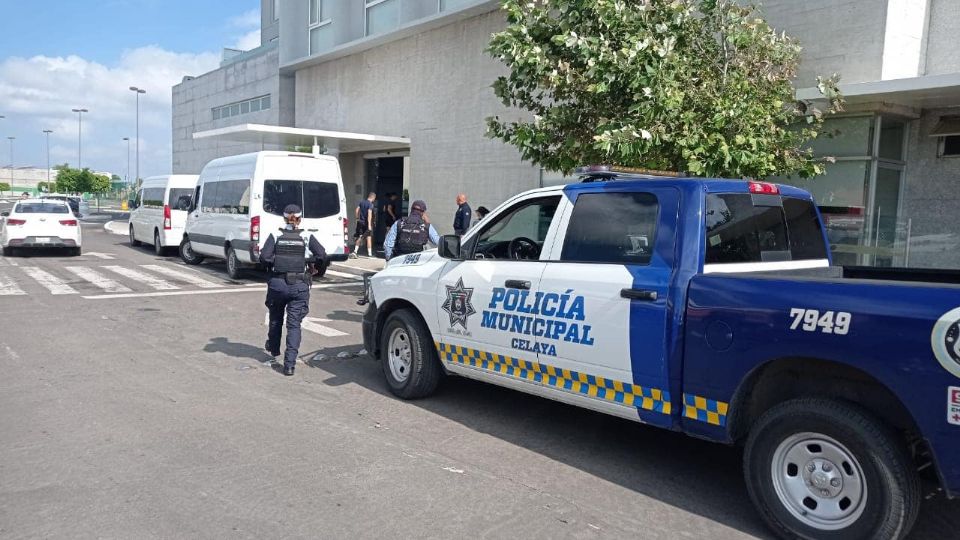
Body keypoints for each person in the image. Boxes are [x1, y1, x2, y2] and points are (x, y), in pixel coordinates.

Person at [259, 204, 327, 377]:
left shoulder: (275, 235)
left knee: (275, 318)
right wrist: (314, 268)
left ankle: (274, 350)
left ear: (284, 218)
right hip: (299, 285)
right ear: (300, 218)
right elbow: (322, 255)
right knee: (294, 324)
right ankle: (289, 365)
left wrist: (276, 263)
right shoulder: (306, 236)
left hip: (277, 284)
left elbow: (264, 258)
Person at [350, 192, 376, 258]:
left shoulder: (362, 202)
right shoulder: (370, 204)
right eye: (374, 199)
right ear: (373, 198)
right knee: (367, 238)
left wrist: (357, 218)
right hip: (366, 224)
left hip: (360, 222)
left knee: (361, 236)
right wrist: (369, 225)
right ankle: (369, 254)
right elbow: (369, 214)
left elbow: (357, 210)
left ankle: (355, 251)